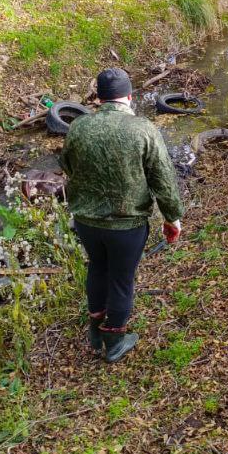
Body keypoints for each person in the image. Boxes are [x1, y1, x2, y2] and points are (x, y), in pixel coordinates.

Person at [59, 67, 184, 363]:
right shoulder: (143, 128)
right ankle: (114, 340)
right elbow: (163, 179)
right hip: (127, 225)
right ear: (129, 96)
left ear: (99, 99)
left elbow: (67, 165)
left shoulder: (78, 126)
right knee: (121, 280)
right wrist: (172, 217)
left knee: (97, 268)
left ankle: (95, 329)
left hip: (87, 223)